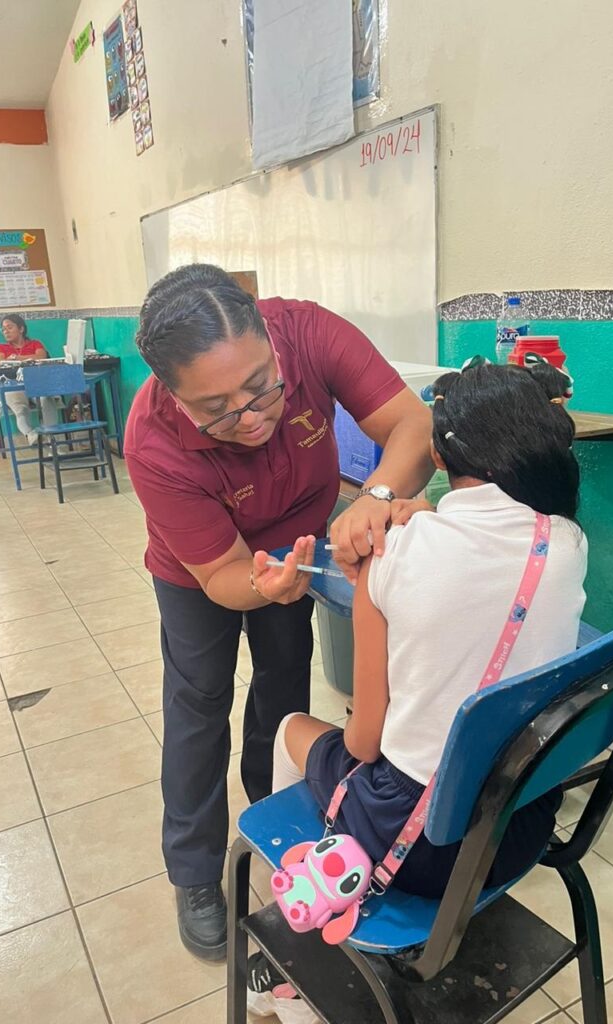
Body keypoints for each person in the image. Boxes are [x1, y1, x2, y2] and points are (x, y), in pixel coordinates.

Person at [248, 358, 586, 1022]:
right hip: (518, 827)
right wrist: (420, 517)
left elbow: (363, 743)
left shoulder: (394, 554)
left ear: (435, 454)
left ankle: (293, 954)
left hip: (419, 850)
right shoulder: (569, 542)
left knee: (290, 730)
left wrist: (389, 547)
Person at [124, 264, 434, 961]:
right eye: (217, 408)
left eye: (262, 385)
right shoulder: (152, 442)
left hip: (301, 542)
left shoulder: (309, 332)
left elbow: (413, 425)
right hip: (201, 571)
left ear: (268, 335)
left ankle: (275, 819)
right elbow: (222, 576)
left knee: (285, 685)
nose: (251, 415)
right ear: (172, 394)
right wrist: (264, 587)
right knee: (199, 704)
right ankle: (195, 872)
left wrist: (376, 497)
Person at [0, 313, 58, 444]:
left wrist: (15, 358)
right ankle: (31, 434)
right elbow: (1, 362)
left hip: (36, 382)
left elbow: (41, 357)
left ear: (21, 329)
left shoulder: (35, 343)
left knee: (46, 399)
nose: (6, 331)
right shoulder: (0, 347)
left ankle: (51, 437)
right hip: (12, 385)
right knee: (20, 409)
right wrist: (29, 358)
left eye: (10, 327)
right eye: (3, 329)